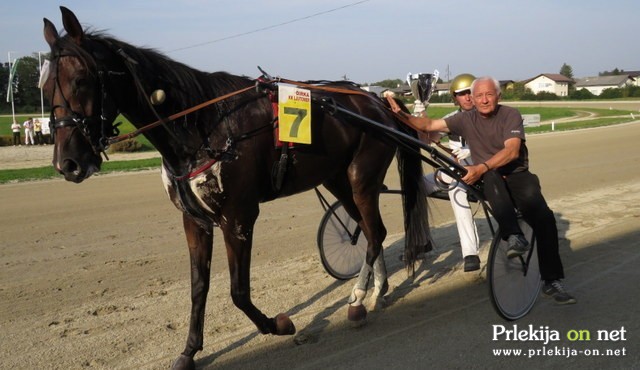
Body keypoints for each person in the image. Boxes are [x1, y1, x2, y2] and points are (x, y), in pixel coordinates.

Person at [387, 76, 576, 305]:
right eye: (479, 96)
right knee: (490, 177)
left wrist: (481, 166)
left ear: (499, 96)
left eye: (489, 95)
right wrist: (401, 115)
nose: (484, 100)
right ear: (472, 100)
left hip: (517, 176)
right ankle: (513, 236)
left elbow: (512, 151)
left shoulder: (510, 115)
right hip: (489, 177)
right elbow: (427, 126)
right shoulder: (464, 119)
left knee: (544, 218)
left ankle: (552, 280)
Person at [422, 73, 481, 272]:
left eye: (469, 92)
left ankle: (470, 253)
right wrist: (421, 112)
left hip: (482, 172)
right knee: (417, 185)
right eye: (461, 94)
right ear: (454, 98)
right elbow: (427, 139)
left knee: (456, 192)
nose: (467, 97)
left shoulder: (487, 116)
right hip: (456, 171)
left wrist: (472, 151)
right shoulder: (451, 119)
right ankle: (423, 241)